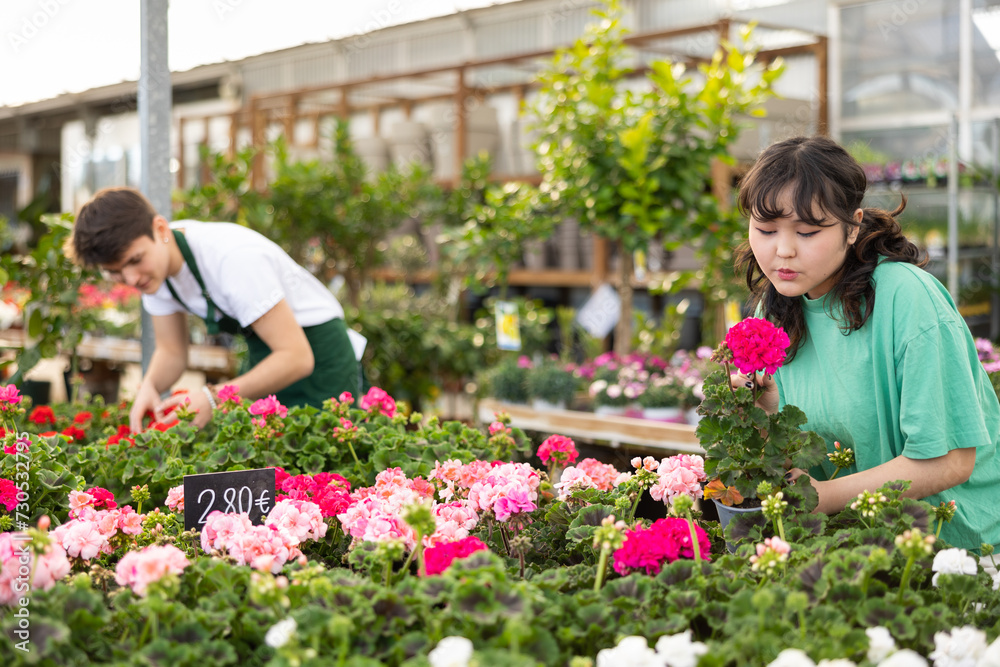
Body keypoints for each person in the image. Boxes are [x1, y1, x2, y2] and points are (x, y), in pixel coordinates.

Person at [733, 135, 1000, 553]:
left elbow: (952, 460)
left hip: (952, 549)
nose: (782, 251)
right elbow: (798, 458)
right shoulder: (772, 308)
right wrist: (763, 417)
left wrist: (820, 497)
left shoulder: (908, 299)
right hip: (854, 542)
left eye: (806, 231)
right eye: (765, 229)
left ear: (853, 225)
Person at [68, 187, 360, 432]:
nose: (131, 279)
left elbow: (297, 358)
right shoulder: (153, 272)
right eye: (115, 272)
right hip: (267, 355)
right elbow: (171, 352)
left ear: (159, 229)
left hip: (319, 356)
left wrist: (211, 397)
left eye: (135, 260)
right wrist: (150, 386)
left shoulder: (231, 259)